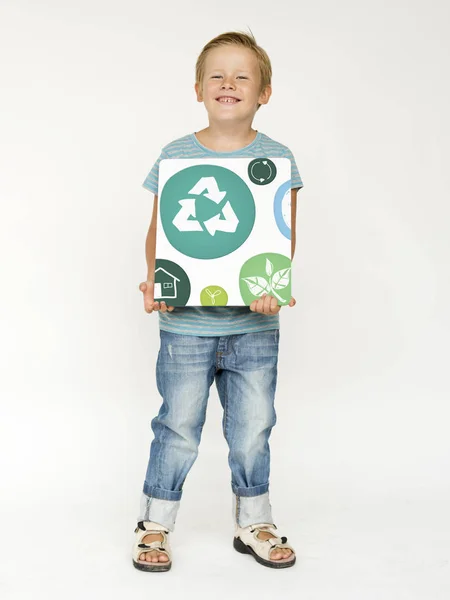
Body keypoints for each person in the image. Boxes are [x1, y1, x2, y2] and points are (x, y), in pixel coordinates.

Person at [132, 30, 304, 572]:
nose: (228, 83)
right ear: (199, 89)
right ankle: (154, 524)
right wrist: (154, 279)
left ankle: (254, 520)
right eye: (217, 75)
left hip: (254, 327)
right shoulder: (176, 154)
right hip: (185, 326)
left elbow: (282, 232)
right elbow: (161, 230)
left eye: (243, 75)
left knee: (253, 427)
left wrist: (273, 286)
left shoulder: (276, 158)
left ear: (264, 93)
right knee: (178, 426)